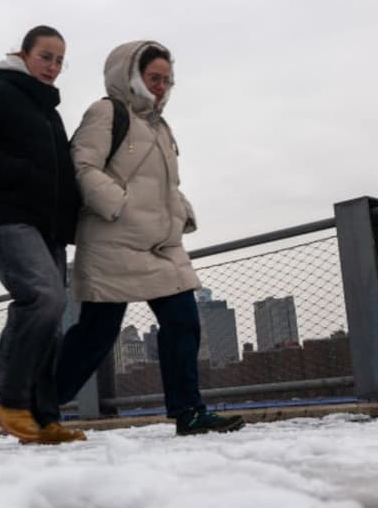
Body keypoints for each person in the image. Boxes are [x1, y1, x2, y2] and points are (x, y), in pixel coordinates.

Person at [57, 41, 244, 435]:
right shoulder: (106, 112)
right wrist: (118, 205)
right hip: (114, 240)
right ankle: (38, 402)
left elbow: (164, 185)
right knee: (96, 334)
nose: (160, 86)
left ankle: (188, 411)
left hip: (162, 246)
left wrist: (181, 212)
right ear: (129, 76)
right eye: (152, 78)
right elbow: (81, 164)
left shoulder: (160, 128)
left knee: (184, 322)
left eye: (166, 80)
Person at [0, 25, 86, 444]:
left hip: (47, 226)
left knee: (51, 314)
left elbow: (62, 174)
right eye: (46, 56)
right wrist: (21, 176)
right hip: (8, 218)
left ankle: (43, 418)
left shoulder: (49, 112)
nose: (53, 66)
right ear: (24, 54)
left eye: (60, 60)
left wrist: (72, 217)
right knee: (42, 298)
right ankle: (9, 398)